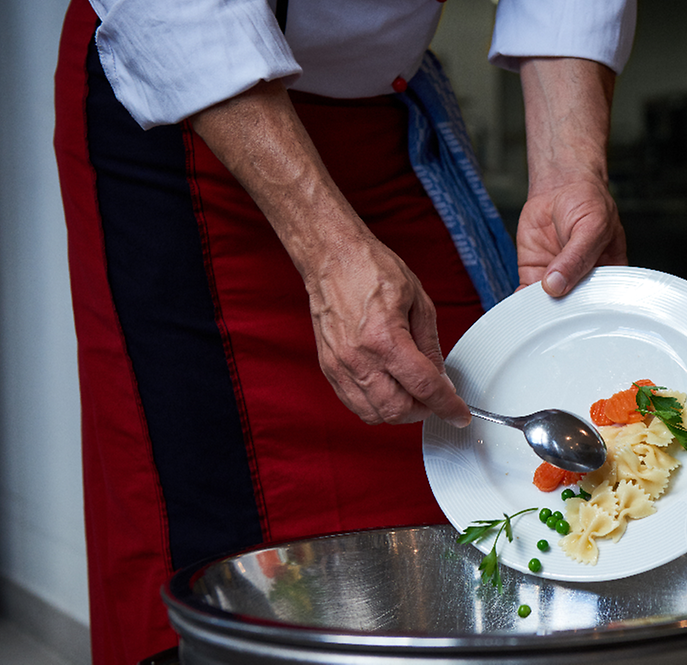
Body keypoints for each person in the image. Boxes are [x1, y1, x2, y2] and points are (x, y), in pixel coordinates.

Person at [53, 0, 635, 662]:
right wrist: (326, 249)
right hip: (190, 126)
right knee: (210, 544)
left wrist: (568, 166)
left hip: (382, 127)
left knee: (471, 494)